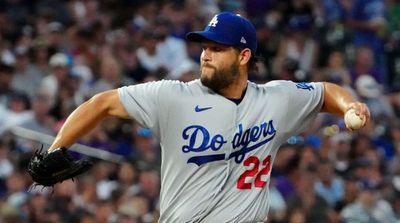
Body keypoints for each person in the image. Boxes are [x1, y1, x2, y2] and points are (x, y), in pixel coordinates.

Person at [44, 12, 370, 222]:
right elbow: (102, 103)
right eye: (204, 46)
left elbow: (325, 91)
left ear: (244, 56)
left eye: (217, 48)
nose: (205, 54)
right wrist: (57, 148)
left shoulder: (276, 98)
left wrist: (350, 105)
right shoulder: (172, 96)